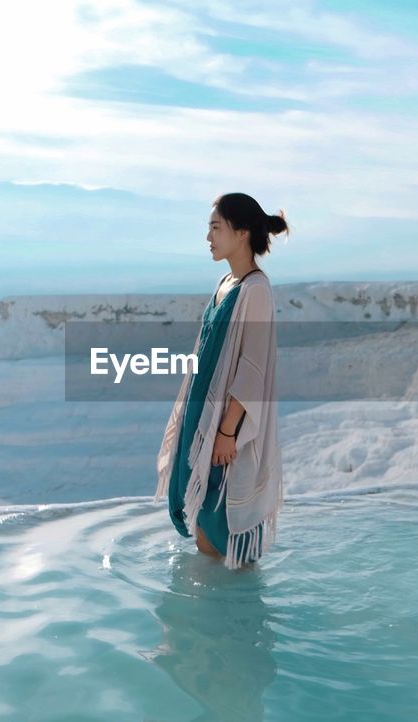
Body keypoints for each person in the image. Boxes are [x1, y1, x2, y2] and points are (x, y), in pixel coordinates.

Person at [155, 193, 288, 569]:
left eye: (216, 227)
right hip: (202, 417)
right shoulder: (226, 282)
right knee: (201, 519)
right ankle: (214, 613)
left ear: (242, 232)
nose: (208, 237)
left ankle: (238, 615)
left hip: (224, 426)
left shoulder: (256, 290)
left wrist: (227, 433)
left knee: (221, 526)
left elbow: (252, 367)